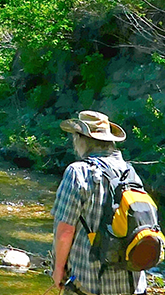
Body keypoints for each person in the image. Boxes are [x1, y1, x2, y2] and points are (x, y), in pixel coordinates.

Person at [50, 110, 148, 294]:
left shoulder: (78, 172)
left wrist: (58, 269)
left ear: (81, 139)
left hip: (90, 286)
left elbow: (65, 230)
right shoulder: (130, 172)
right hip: (133, 286)